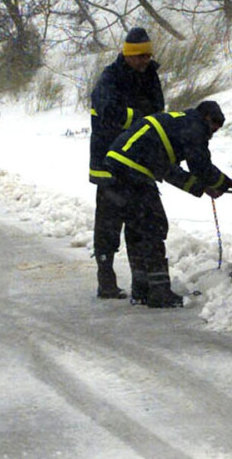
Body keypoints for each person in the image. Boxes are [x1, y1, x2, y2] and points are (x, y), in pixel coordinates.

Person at [99, 101, 232, 307]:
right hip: (134, 170)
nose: (211, 134)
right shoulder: (194, 126)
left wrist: (202, 188)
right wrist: (225, 182)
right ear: (205, 118)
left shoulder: (175, 125)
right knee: (154, 226)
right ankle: (159, 291)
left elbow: (169, 170)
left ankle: (142, 288)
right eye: (212, 127)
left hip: (119, 167)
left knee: (137, 228)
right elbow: (200, 166)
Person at [88, 27, 164, 300]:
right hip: (109, 165)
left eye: (147, 55)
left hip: (139, 164)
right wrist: (141, 118)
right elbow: (109, 112)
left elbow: (159, 111)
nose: (144, 61)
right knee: (108, 226)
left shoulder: (151, 76)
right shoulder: (110, 78)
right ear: (128, 55)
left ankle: (141, 284)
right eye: (140, 56)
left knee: (139, 223)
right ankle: (106, 280)